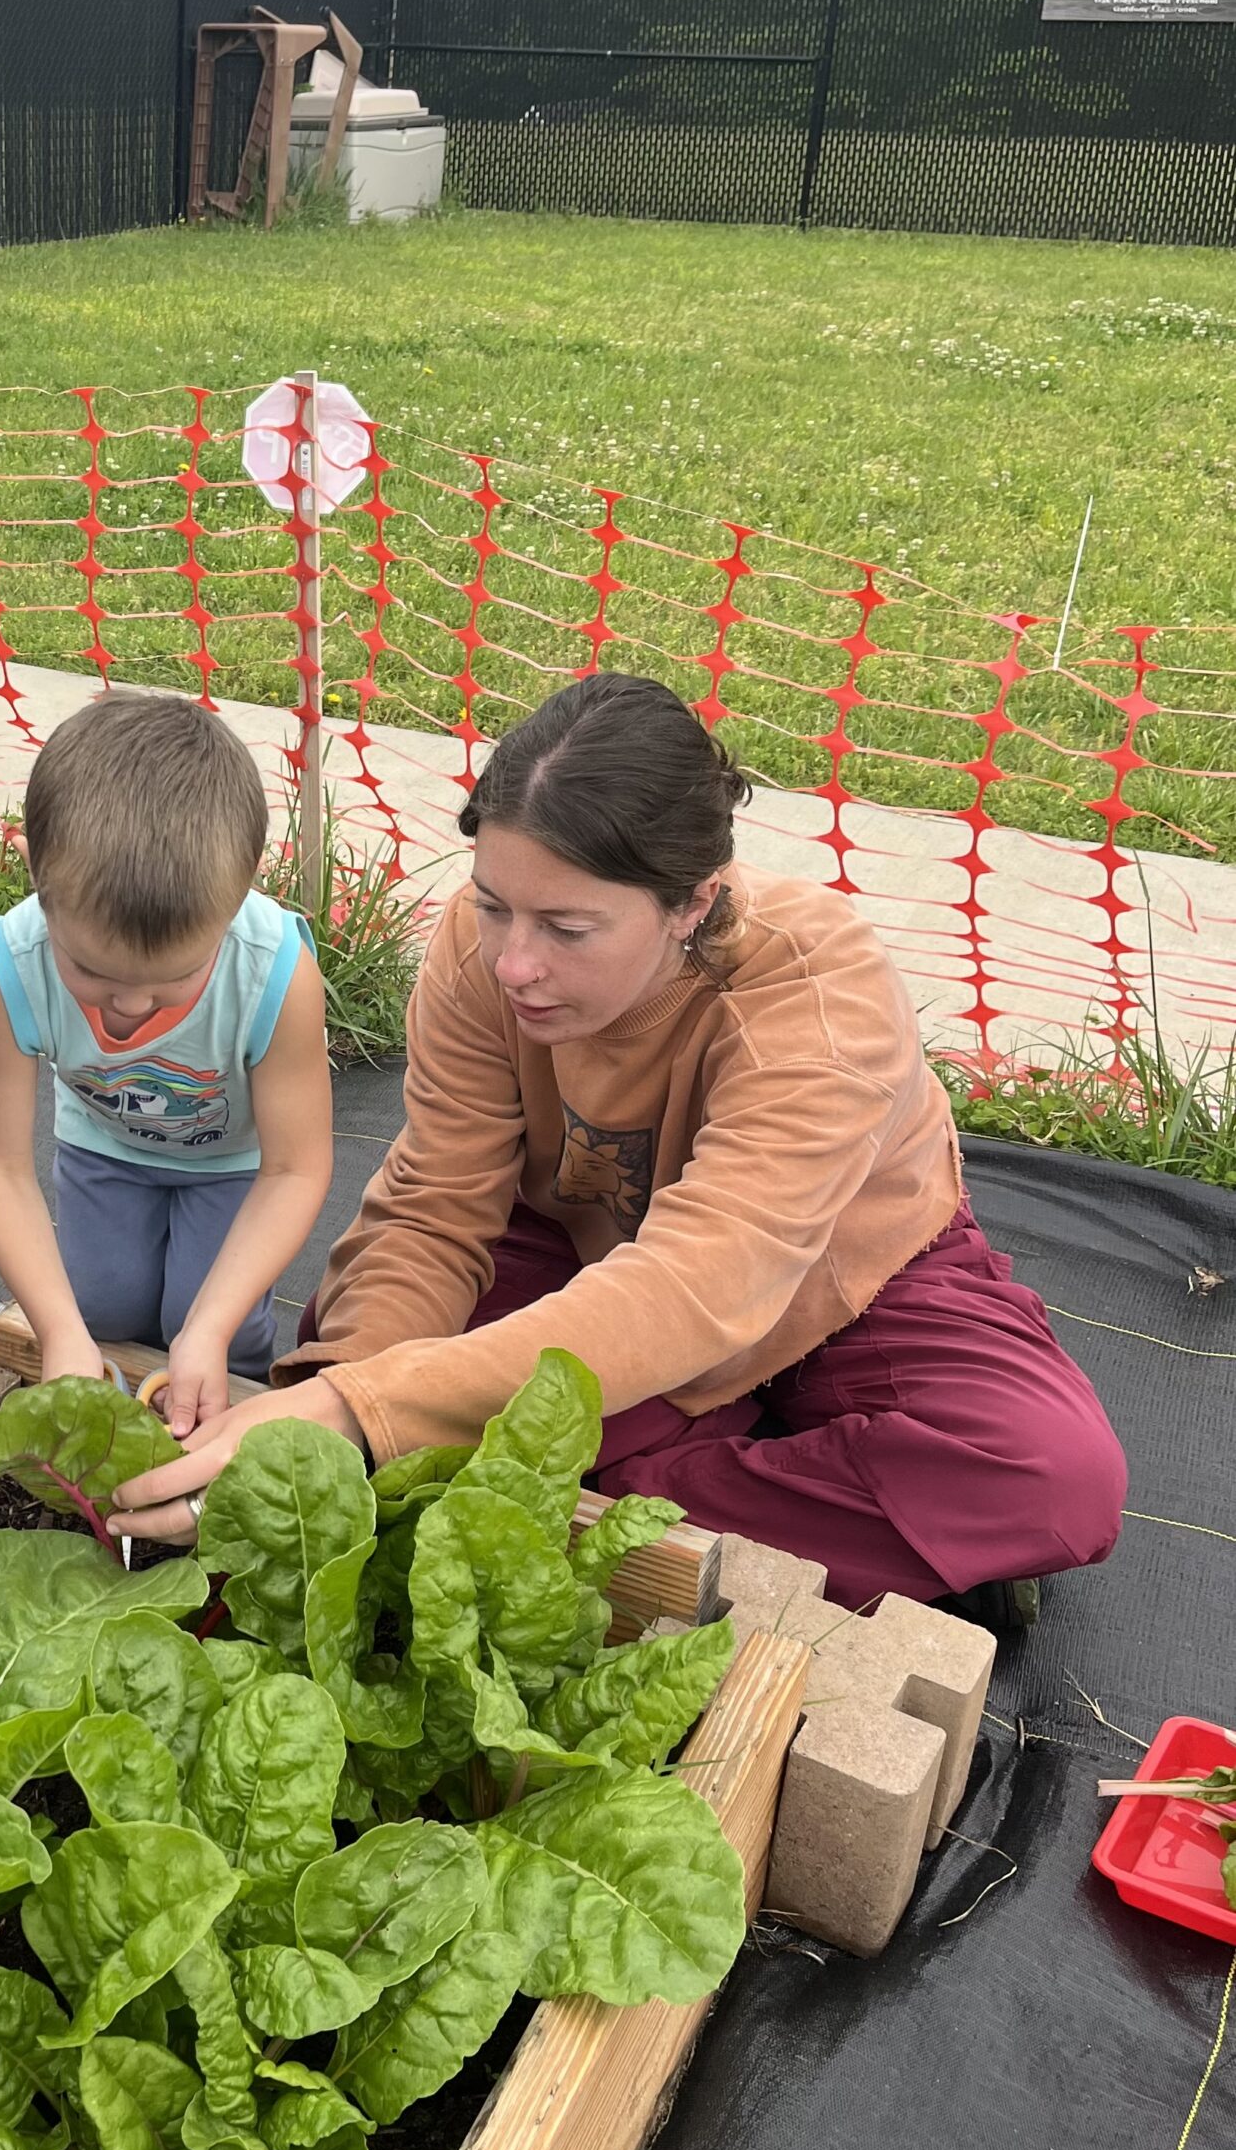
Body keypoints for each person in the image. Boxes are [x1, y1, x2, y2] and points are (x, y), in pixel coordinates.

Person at [112, 672, 1127, 1625]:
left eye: (566, 927)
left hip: (836, 1277)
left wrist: (376, 1414)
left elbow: (701, 1283)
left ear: (693, 903)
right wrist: (342, 1409)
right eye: (494, 903)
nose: (512, 960)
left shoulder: (818, 991)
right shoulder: (480, 953)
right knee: (364, 1342)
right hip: (579, 1243)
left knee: (1049, 1478)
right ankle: (754, 1519)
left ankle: (606, 1493)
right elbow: (434, 1208)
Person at [0, 693, 333, 1437]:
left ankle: (225, 1404)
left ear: (240, 895)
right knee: (100, 1306)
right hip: (104, 1149)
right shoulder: (6, 971)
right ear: (34, 872)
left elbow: (295, 1169)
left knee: (203, 1317)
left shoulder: (276, 977)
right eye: (91, 971)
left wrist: (209, 1336)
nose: (128, 1006)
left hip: (235, 1165)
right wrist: (60, 1333)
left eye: (173, 982)